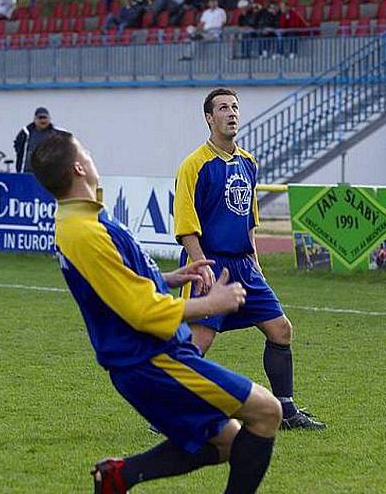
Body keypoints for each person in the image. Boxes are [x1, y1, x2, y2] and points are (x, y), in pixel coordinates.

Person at [30, 130, 282, 494]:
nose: (92, 155)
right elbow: (141, 311)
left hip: (148, 356)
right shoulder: (83, 231)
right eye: (87, 151)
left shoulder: (81, 220)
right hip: (150, 358)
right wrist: (211, 304)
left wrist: (167, 277)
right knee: (267, 412)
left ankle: (120, 476)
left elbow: (116, 284)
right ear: (78, 167)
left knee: (226, 441)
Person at [174, 88, 326, 431]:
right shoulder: (194, 165)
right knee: (199, 342)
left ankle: (285, 411)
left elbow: (250, 220)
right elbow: (186, 225)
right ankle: (171, 409)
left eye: (235, 107)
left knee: (281, 330)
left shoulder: (248, 162)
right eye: (223, 108)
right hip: (211, 264)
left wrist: (256, 264)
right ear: (209, 118)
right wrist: (200, 267)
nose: (231, 113)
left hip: (245, 264)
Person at [13, 107, 62, 173]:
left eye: (45, 118)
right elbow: (17, 145)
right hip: (28, 172)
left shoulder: (56, 133)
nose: (43, 120)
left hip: (49, 173)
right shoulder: (26, 132)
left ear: (49, 119)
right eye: (40, 118)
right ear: (35, 119)